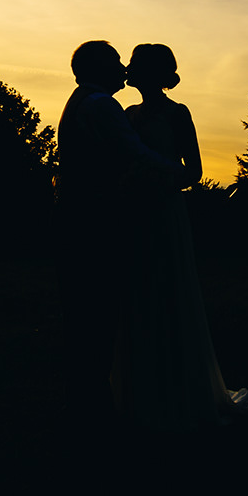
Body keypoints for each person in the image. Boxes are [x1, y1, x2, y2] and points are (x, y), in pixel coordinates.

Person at [112, 43, 248, 430]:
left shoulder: (178, 114)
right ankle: (144, 392)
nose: (128, 69)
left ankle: (182, 391)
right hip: (134, 215)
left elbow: (193, 171)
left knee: (170, 291)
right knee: (138, 297)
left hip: (163, 212)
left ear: (153, 73)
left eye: (136, 65)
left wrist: (156, 180)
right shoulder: (127, 114)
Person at [56, 40, 189, 431]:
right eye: (116, 62)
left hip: (86, 218)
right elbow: (133, 152)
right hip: (96, 222)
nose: (123, 69)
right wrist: (175, 174)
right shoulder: (103, 106)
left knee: (90, 315)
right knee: (97, 315)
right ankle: (94, 410)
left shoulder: (82, 102)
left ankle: (91, 404)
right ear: (98, 68)